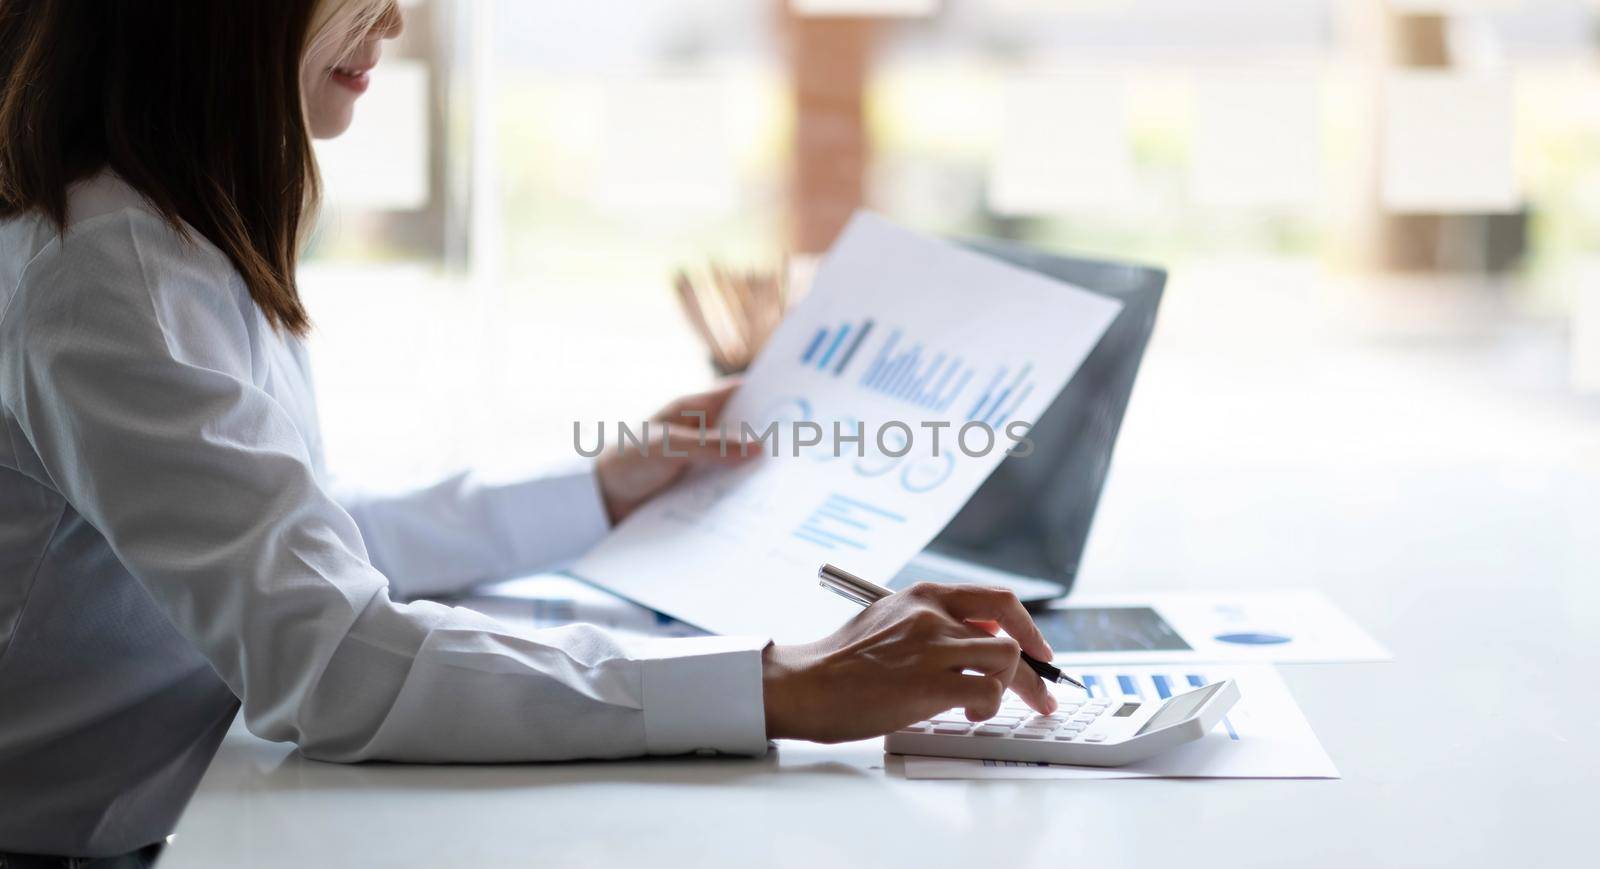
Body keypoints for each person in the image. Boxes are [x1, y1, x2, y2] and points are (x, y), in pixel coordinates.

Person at [0, 1, 1059, 864]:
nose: (398, 21)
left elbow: (301, 540)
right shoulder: (111, 278)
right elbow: (328, 660)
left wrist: (601, 487)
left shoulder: (164, 232)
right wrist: (783, 680)